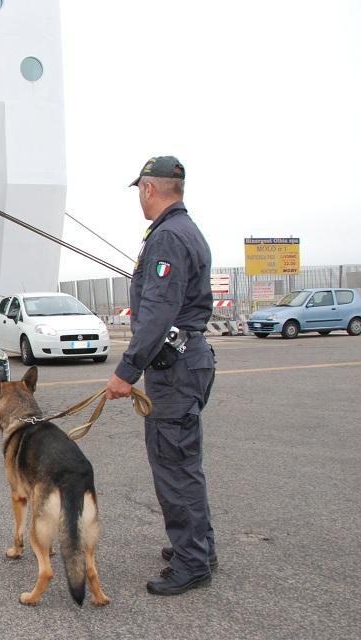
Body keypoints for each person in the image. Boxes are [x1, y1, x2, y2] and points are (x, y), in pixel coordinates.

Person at [104, 156, 217, 596]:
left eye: (139, 191)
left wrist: (125, 372)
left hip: (176, 369)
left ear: (150, 189)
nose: (139, 199)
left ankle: (192, 562)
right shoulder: (184, 230)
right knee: (184, 463)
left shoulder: (167, 237)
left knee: (174, 466)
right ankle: (198, 548)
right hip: (189, 362)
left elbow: (157, 314)